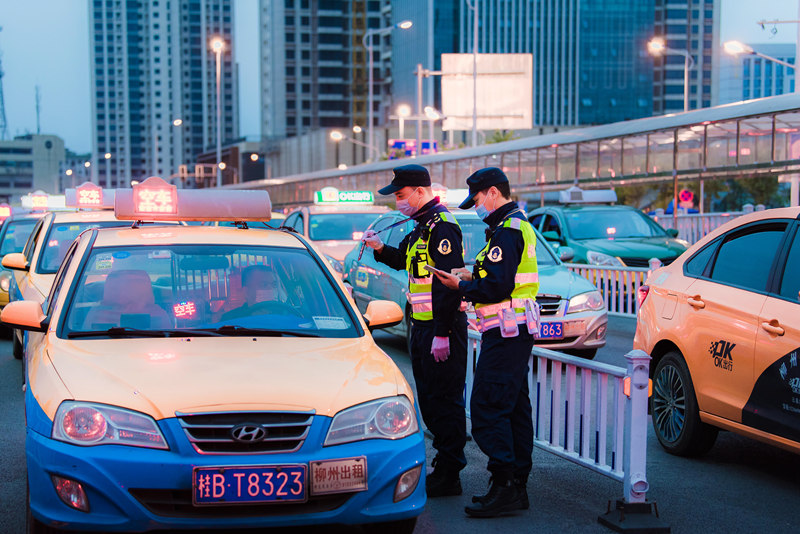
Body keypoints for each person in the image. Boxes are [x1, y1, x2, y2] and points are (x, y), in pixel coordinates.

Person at [431, 167, 539, 518]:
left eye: (477, 200)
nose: (477, 208)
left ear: (493, 193)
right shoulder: (513, 227)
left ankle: (504, 485)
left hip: (506, 333)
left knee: (488, 408)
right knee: (513, 408)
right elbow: (496, 277)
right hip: (514, 331)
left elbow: (496, 287)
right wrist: (469, 274)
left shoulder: (508, 231)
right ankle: (515, 486)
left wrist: (459, 286)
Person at [361, 163, 469, 497]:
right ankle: (443, 466)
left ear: (421, 191)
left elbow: (447, 285)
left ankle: (450, 473)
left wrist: (441, 333)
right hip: (420, 328)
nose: (398, 202)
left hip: (441, 330)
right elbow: (403, 260)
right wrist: (379, 248)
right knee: (431, 401)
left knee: (445, 401)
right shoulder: (422, 226)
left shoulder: (442, 227)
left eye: (401, 195)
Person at [221, 264, 292, 321]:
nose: (271, 289)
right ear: (247, 292)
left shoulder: (286, 315)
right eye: (264, 285)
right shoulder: (231, 320)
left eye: (274, 285)